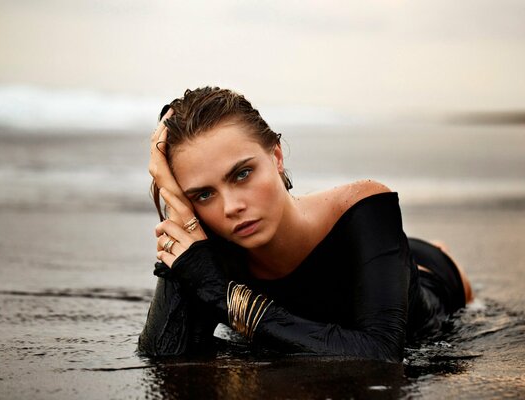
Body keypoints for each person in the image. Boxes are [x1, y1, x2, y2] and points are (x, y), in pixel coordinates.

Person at [138, 87, 473, 362]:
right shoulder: (208, 246)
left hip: (429, 279)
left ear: (277, 157)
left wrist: (221, 294)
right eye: (204, 194)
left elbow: (379, 356)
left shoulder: (361, 205)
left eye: (242, 174)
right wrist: (177, 211)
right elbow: (163, 354)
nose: (232, 207)